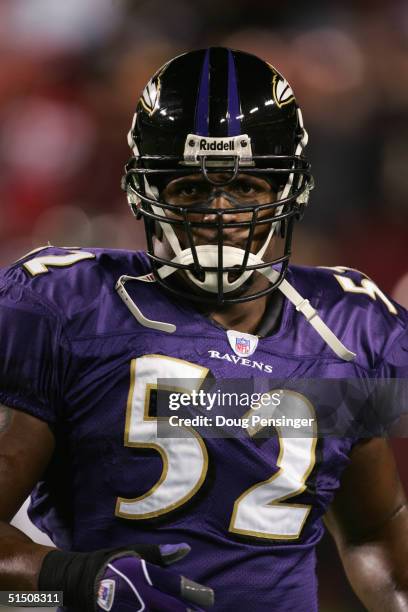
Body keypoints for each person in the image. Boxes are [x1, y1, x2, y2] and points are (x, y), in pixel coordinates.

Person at [0, 46, 408, 612]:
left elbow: (375, 539)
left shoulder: (346, 327)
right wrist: (78, 583)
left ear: (287, 190)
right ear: (147, 192)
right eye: (190, 188)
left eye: (246, 187)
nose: (220, 213)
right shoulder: (66, 309)